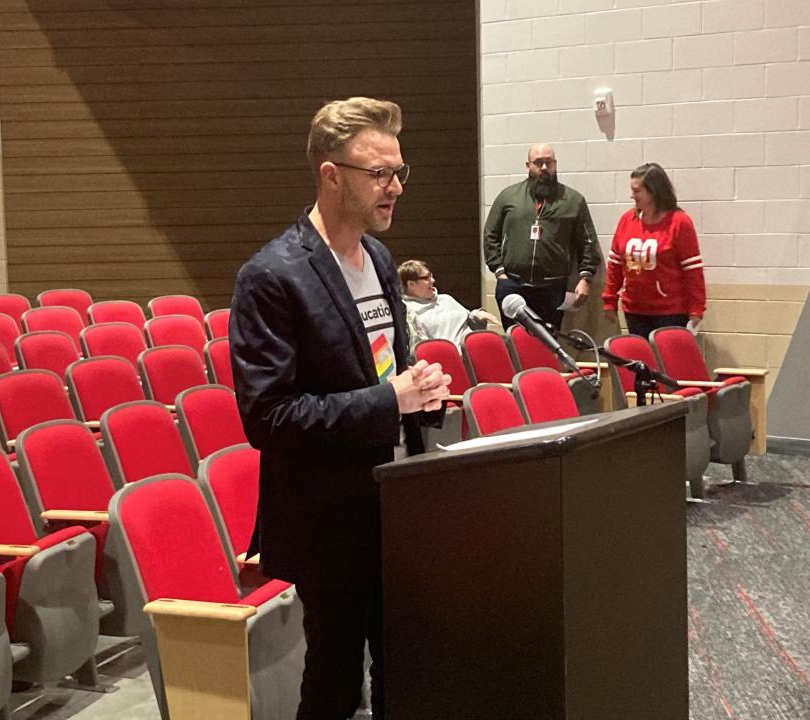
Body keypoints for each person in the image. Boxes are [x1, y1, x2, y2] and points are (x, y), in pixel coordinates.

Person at [229, 97, 451, 720]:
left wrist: (421, 396)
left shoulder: (380, 260)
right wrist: (390, 399)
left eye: (400, 172)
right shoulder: (272, 276)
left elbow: (387, 371)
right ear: (331, 175)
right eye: (379, 174)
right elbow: (268, 417)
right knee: (333, 682)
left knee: (405, 669)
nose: (395, 188)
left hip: (396, 500)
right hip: (329, 517)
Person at [482, 143, 601, 329]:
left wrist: (585, 278)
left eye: (549, 162)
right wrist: (498, 270)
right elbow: (490, 234)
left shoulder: (573, 200)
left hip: (552, 289)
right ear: (528, 165)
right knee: (516, 342)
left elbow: (587, 242)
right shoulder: (508, 196)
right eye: (538, 162)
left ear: (555, 164)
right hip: (513, 285)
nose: (544, 167)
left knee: (548, 345)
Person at [602, 162, 706, 339]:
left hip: (670, 312)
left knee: (667, 362)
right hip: (634, 309)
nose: (632, 196)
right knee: (642, 362)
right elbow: (615, 264)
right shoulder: (627, 220)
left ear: (653, 191)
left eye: (637, 191)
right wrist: (609, 300)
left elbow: (693, 271)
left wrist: (696, 309)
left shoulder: (679, 222)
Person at [398, 259, 499, 347]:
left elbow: (468, 318)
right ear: (411, 284)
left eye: (431, 275)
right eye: (426, 278)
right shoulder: (407, 310)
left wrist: (477, 314)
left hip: (472, 348)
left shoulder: (446, 299)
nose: (432, 280)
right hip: (447, 358)